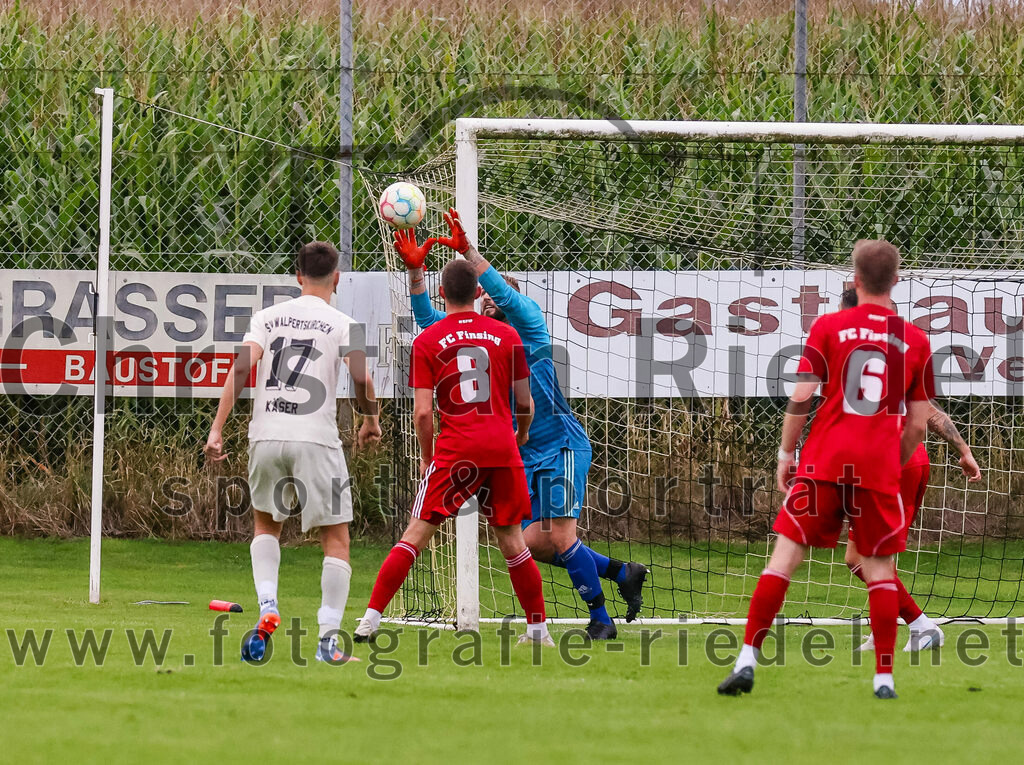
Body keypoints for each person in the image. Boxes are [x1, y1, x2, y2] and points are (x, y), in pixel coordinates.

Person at [392, 209, 647, 639]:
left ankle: (601, 621)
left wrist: (469, 255)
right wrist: (416, 273)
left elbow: (505, 296)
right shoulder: (480, 337)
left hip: (562, 445)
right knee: (533, 545)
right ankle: (622, 573)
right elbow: (426, 320)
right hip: (522, 453)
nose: (489, 303)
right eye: (484, 300)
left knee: (562, 535)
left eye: (494, 299)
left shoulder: (529, 328)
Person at [717, 240, 935, 700]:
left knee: (784, 560)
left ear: (855, 280)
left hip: (824, 462)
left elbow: (802, 396)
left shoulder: (830, 326)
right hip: (876, 470)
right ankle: (883, 679)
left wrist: (785, 453)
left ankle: (746, 660)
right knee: (878, 569)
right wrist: (891, 464)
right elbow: (918, 423)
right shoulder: (916, 340)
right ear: (896, 282)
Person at [354, 258, 552, 646]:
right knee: (512, 540)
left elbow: (424, 412)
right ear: (480, 293)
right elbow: (525, 404)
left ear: (441, 293)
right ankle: (537, 629)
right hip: (501, 448)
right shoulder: (506, 335)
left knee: (415, 535)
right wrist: (521, 433)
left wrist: (428, 457)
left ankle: (370, 619)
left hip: (456, 451)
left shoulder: (427, 341)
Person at [204, 241, 381, 664]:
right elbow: (362, 378)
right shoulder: (344, 323)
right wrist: (370, 419)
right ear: (336, 278)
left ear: (297, 277)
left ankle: (267, 606)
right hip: (316, 439)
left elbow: (242, 368)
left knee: (266, 525)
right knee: (336, 541)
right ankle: (327, 643)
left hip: (265, 435)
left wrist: (217, 427)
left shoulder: (266, 318)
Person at [838, 288, 982, 653]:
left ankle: (921, 625)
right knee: (872, 554)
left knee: (860, 557)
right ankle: (884, 627)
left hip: (892, 466)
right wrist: (963, 451)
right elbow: (930, 411)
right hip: (911, 463)